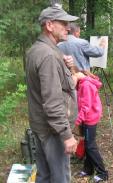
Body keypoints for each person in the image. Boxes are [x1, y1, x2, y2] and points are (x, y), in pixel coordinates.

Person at [26, 6, 80, 183]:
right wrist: (67, 135)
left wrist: (68, 66)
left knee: (45, 176)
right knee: (59, 179)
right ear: (49, 25)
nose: (68, 27)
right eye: (63, 23)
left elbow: (62, 86)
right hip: (53, 131)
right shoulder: (48, 55)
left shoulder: (38, 49)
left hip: (43, 127)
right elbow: (52, 102)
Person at [71, 67, 108, 182]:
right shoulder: (82, 83)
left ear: (76, 74)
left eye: (71, 77)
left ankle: (103, 173)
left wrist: (77, 121)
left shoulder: (85, 85)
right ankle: (88, 169)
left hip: (90, 118)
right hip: (88, 117)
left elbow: (86, 106)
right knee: (87, 143)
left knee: (90, 146)